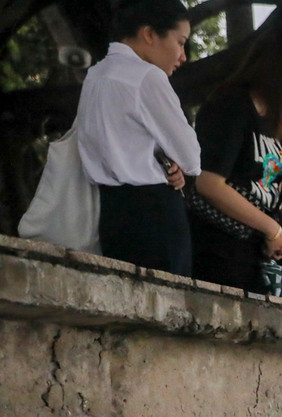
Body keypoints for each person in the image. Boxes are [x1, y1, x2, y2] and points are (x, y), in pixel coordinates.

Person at [75, 0, 200, 276]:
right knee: (167, 310)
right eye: (180, 42)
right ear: (149, 34)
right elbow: (191, 159)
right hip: (155, 214)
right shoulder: (147, 77)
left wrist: (166, 161)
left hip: (110, 214)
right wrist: (179, 163)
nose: (183, 56)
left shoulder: (95, 76)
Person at [188, 24, 282, 294]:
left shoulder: (277, 120)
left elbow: (273, 186)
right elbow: (209, 182)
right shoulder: (230, 107)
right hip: (218, 249)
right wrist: (271, 228)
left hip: (256, 255)